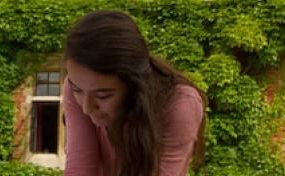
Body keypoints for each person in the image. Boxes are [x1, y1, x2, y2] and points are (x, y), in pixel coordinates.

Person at [63, 10, 207, 176]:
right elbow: (79, 168)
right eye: (77, 90)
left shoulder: (180, 104)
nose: (87, 108)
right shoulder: (75, 86)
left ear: (134, 85)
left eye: (103, 96)